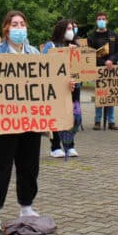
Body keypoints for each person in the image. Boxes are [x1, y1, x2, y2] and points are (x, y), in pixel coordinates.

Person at [0, 10, 44, 232]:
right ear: (6, 28)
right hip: (4, 120)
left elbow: (46, 82)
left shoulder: (35, 53)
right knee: (0, 166)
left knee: (29, 166)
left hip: (30, 120)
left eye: (22, 23)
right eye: (14, 24)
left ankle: (26, 206)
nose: (19, 28)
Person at [42, 19, 82, 158]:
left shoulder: (76, 45)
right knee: (57, 117)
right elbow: (43, 64)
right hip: (57, 88)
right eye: (68, 28)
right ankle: (55, 146)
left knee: (75, 117)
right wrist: (64, 52)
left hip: (74, 87)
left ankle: (70, 144)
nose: (71, 31)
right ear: (61, 30)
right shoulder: (50, 45)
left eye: (72, 28)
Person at [88, 12, 118, 130]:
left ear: (107, 21)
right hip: (99, 69)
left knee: (111, 95)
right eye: (99, 19)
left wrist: (111, 61)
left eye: (103, 19)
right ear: (96, 21)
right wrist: (103, 62)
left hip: (112, 69)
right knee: (100, 94)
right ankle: (97, 121)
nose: (101, 21)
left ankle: (111, 121)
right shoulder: (91, 36)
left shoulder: (114, 35)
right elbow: (90, 53)